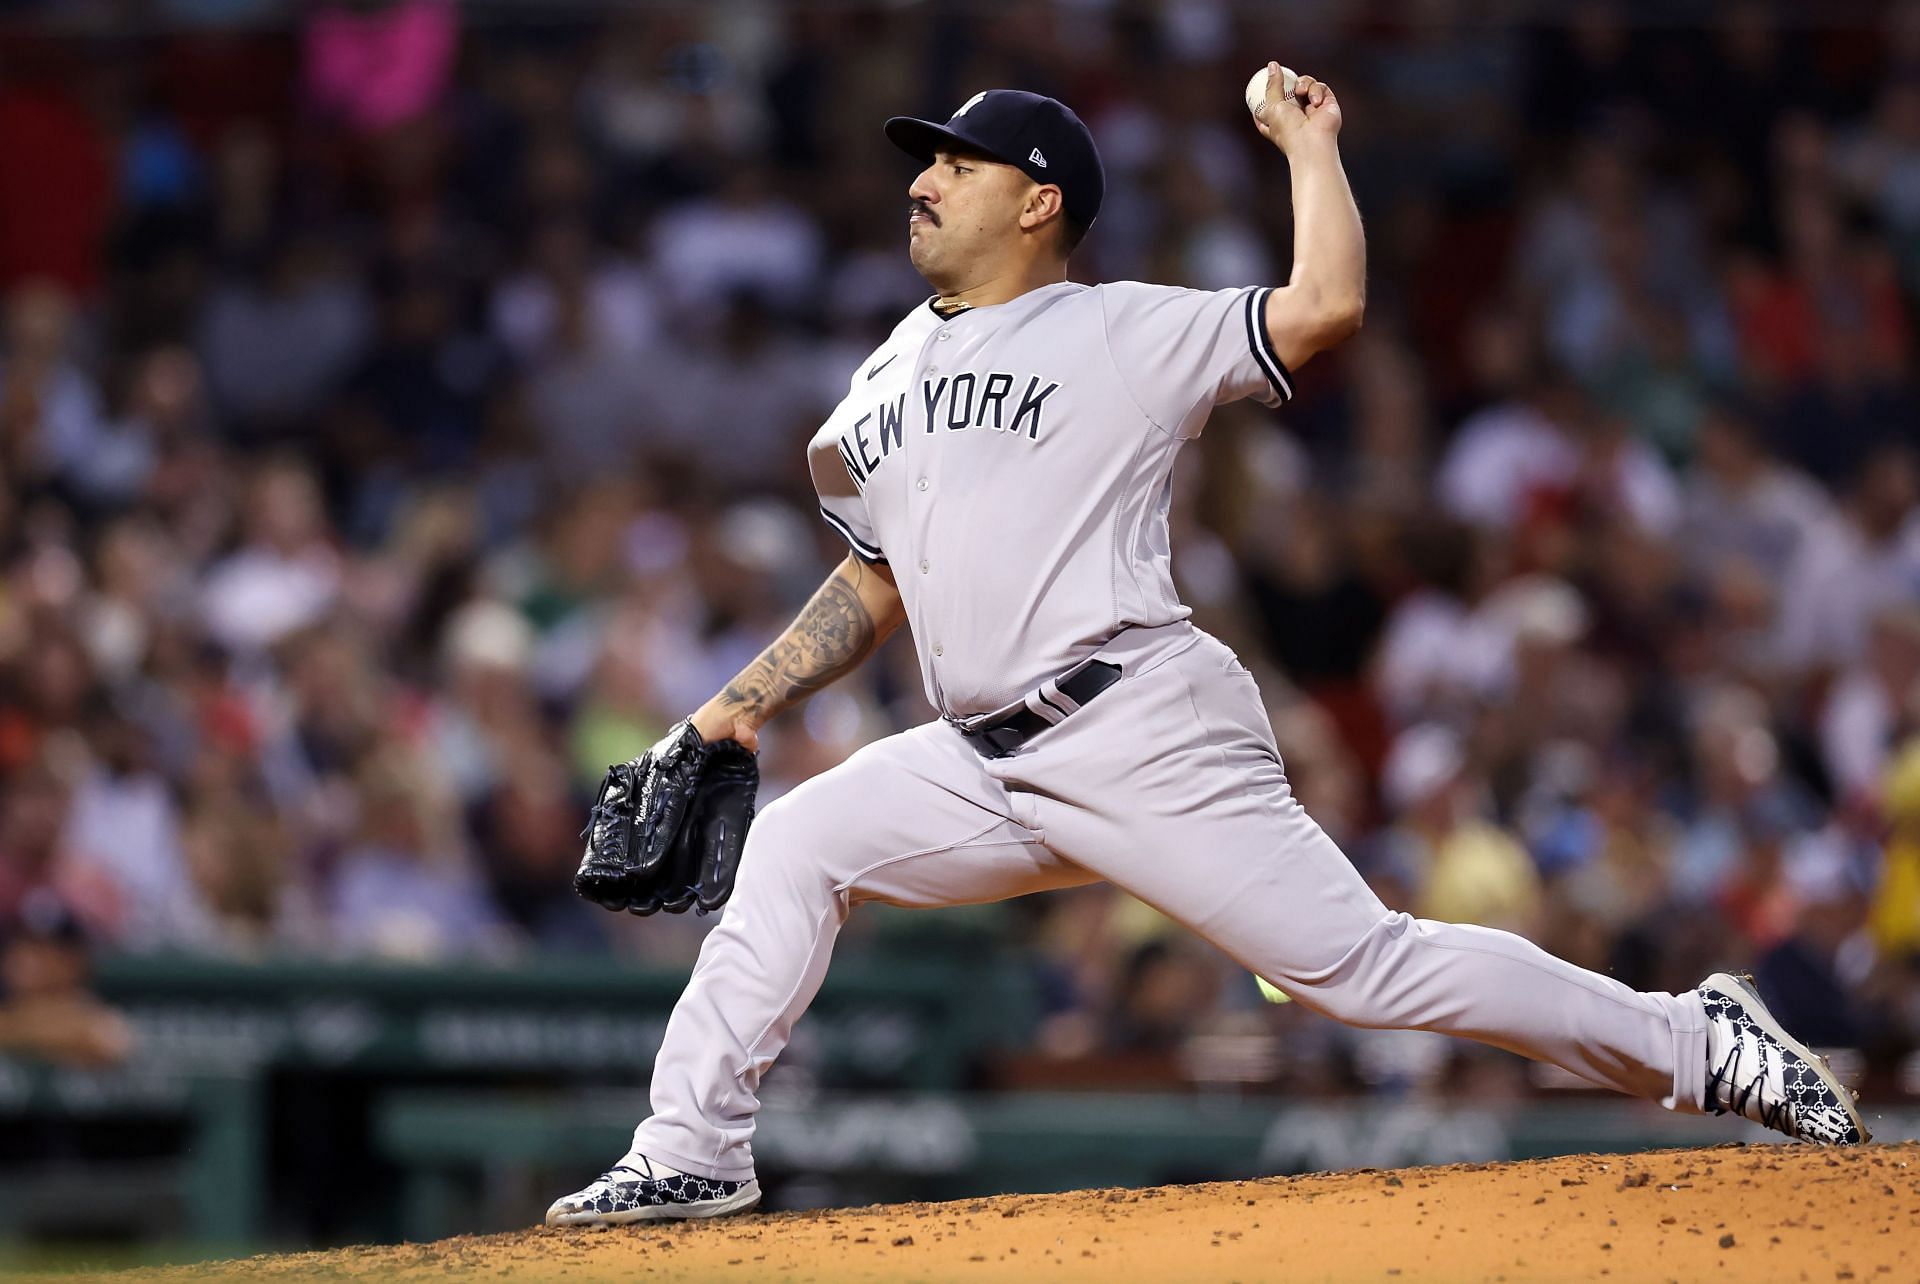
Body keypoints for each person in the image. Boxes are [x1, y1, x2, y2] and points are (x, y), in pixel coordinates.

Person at [546, 70, 1867, 1227]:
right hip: (980, 759)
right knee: (794, 842)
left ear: (1040, 199)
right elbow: (875, 573)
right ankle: (692, 1150)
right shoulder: (886, 372)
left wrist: (1308, 148)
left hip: (1137, 723)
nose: (927, 180)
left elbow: (1325, 307)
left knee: (1360, 970)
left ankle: (1702, 1043)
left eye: (959, 160)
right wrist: (730, 711)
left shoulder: (1119, 327)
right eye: (926, 161)